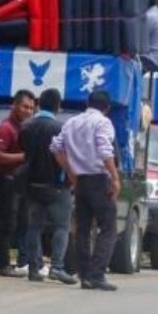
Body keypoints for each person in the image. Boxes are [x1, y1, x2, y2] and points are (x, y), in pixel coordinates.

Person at [50, 90, 121, 291]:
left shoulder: (72, 122)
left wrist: (71, 171)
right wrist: (115, 177)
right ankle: (97, 274)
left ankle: (85, 275)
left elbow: (55, 147)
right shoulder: (103, 123)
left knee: (82, 229)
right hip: (99, 179)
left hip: (80, 180)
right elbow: (105, 150)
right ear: (107, 108)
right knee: (108, 227)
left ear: (87, 103)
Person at [20, 88, 76, 285]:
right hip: (56, 186)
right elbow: (65, 156)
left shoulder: (26, 126)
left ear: (38, 104)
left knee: (34, 227)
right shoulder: (60, 129)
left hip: (32, 184)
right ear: (58, 106)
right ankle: (57, 267)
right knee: (61, 226)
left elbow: (23, 154)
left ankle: (34, 269)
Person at [0, 89, 35, 277]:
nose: (28, 111)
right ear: (14, 105)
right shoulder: (6, 127)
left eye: (32, 108)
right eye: (25, 106)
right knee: (8, 223)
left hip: (20, 182)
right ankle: (2, 264)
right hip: (6, 181)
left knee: (22, 223)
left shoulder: (25, 127)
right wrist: (24, 157)